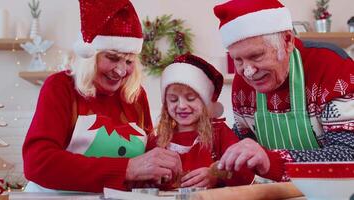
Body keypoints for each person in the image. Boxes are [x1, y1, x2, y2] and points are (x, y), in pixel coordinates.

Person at [22, 0, 181, 193]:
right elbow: (38, 162)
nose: (122, 71)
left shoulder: (135, 96)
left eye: (129, 61)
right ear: (89, 55)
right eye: (112, 58)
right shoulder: (60, 87)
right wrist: (127, 169)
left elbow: (146, 153)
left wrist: (162, 166)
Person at [213, 0, 354, 182]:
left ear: (287, 41)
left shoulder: (332, 66)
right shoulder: (243, 84)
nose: (248, 71)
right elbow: (245, 144)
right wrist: (217, 172)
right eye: (238, 60)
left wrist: (274, 161)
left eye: (256, 56)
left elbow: (348, 154)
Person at [146, 54, 254, 189]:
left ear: (205, 102)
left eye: (190, 98)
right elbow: (143, 181)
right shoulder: (157, 142)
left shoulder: (220, 133)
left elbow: (245, 173)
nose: (181, 106)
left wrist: (215, 174)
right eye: (173, 99)